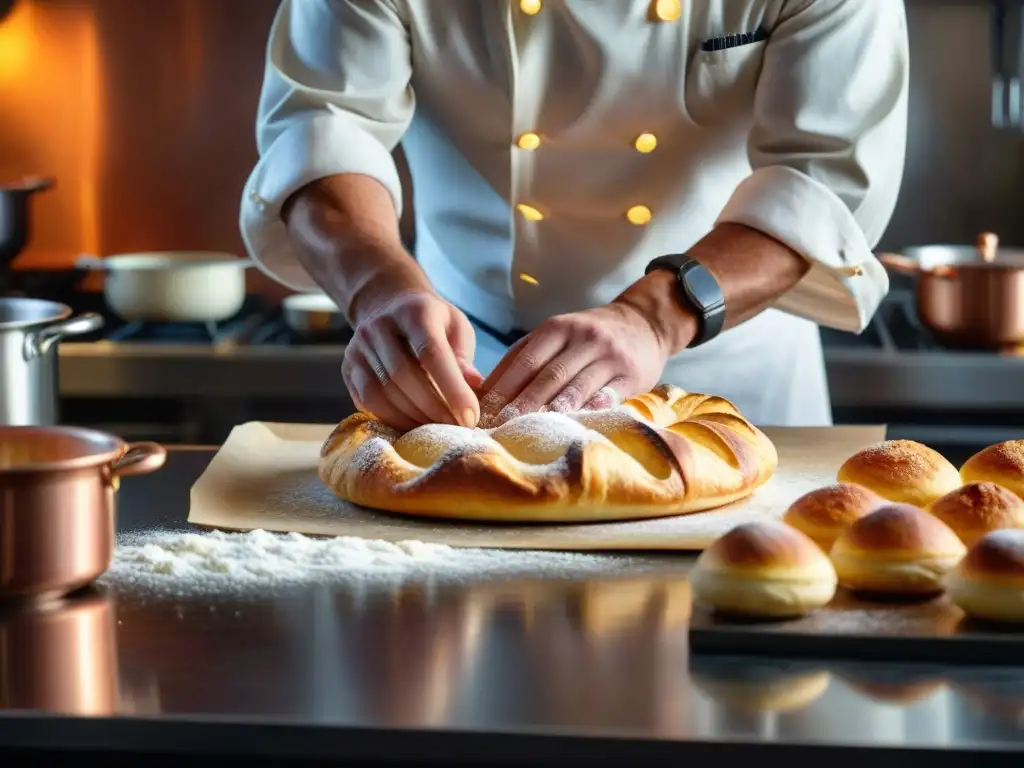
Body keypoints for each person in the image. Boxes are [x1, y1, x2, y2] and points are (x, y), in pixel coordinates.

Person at [240, 0, 908, 431]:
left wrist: (654, 316)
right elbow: (324, 125)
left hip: (726, 373)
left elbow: (821, 179)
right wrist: (379, 291)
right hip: (464, 373)